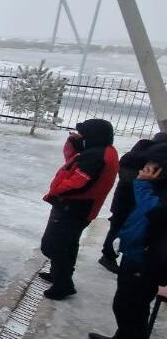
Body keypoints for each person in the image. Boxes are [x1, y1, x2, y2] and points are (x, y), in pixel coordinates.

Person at [89, 144, 167, 339]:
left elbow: (156, 213)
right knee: (126, 304)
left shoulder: (151, 189)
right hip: (136, 252)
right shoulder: (156, 187)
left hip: (148, 257)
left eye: (151, 165)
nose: (144, 170)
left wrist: (142, 184)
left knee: (131, 306)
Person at [40, 119, 119, 300]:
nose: (78, 136)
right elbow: (72, 162)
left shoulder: (95, 156)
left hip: (73, 208)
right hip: (78, 207)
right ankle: (59, 275)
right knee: (66, 244)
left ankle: (63, 285)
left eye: (82, 134)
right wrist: (74, 144)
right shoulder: (100, 151)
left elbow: (79, 182)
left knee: (57, 245)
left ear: (93, 136)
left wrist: (57, 189)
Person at [99, 132, 167, 274]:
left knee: (120, 225)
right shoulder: (144, 160)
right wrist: (146, 182)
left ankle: (111, 254)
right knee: (119, 226)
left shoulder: (141, 155)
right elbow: (129, 178)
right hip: (129, 200)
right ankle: (109, 255)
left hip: (129, 199)